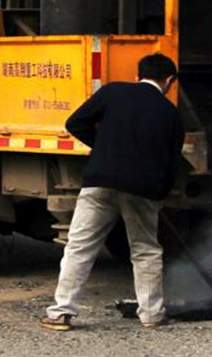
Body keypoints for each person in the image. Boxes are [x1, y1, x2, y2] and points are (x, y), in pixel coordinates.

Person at [40, 53, 185, 331]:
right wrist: (160, 195)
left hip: (99, 180)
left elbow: (74, 123)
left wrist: (102, 147)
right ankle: (152, 315)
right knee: (145, 250)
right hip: (142, 188)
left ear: (137, 75)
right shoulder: (171, 114)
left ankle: (60, 314)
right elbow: (171, 162)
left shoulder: (113, 92)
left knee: (80, 246)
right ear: (169, 81)